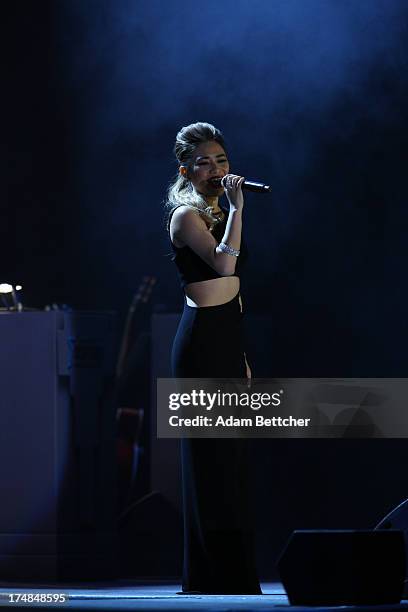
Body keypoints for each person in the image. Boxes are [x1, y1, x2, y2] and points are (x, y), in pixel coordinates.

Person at [164, 122, 261, 595]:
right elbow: (224, 266)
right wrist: (239, 210)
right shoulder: (185, 216)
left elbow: (235, 290)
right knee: (210, 458)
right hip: (200, 342)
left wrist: (240, 354)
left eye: (221, 160)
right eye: (204, 161)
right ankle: (210, 575)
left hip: (225, 338)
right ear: (186, 169)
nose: (216, 169)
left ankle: (237, 574)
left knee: (233, 459)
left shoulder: (222, 214)